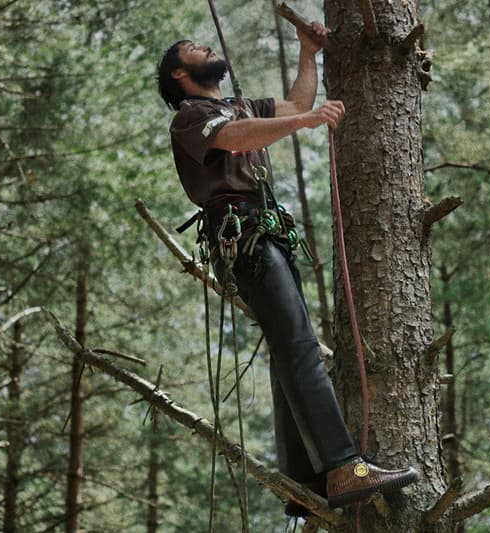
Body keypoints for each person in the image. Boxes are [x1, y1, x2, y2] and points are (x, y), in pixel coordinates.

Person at [156, 22, 418, 515]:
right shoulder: (192, 116)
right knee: (297, 346)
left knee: (288, 350)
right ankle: (343, 466)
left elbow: (296, 105)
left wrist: (306, 55)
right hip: (241, 233)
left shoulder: (238, 106)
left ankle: (307, 482)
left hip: (264, 230)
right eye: (195, 49)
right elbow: (234, 139)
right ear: (179, 73)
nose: (207, 47)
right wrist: (304, 123)